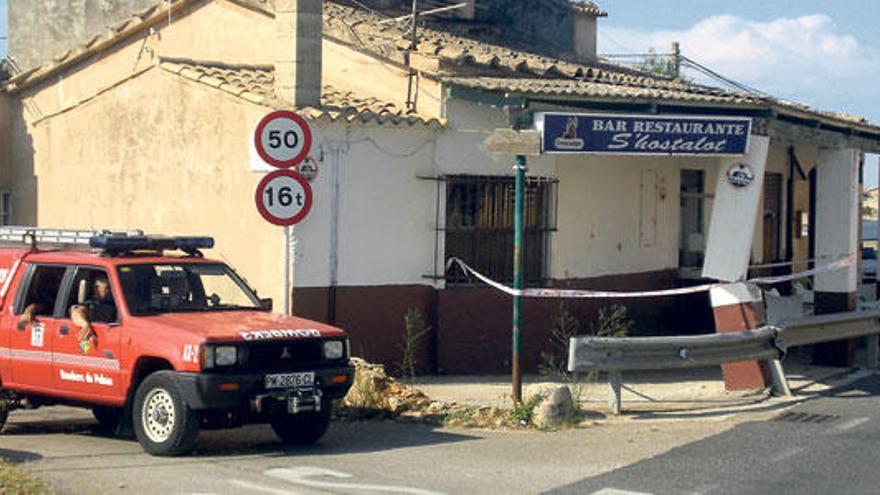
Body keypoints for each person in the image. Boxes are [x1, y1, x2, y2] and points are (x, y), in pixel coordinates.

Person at [70, 274, 118, 348]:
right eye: (96, 287)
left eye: (99, 287)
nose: (96, 289)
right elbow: (77, 312)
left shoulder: (120, 305)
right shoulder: (92, 305)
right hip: (94, 343)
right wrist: (85, 324)